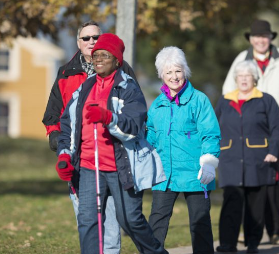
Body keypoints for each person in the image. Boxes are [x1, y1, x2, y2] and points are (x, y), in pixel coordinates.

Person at [56, 33, 167, 254]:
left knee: (129, 219)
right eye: (96, 55)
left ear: (117, 61)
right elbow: (67, 122)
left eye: (104, 55)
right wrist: (64, 154)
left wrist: (109, 118)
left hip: (121, 166)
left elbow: (135, 124)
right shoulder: (85, 88)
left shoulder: (128, 88)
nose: (98, 59)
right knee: (88, 220)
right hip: (89, 166)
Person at [42, 21, 138, 254]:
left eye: (96, 37)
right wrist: (58, 141)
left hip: (112, 154)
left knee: (115, 219)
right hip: (79, 156)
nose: (92, 42)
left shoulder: (121, 68)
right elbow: (53, 115)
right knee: (86, 218)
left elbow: (135, 109)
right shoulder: (65, 72)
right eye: (86, 38)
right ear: (78, 43)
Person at [222, 19, 279, 244]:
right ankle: (243, 231)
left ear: (270, 38)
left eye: (265, 36)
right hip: (248, 127)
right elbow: (227, 90)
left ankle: (275, 230)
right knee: (245, 182)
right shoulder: (241, 59)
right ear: (250, 39)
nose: (260, 40)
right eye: (256, 36)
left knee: (273, 181)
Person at [146, 46, 221, 254]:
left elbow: (211, 134)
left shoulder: (199, 100)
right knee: (156, 222)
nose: (174, 76)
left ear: (185, 71)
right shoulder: (157, 105)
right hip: (165, 173)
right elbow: (150, 134)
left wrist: (208, 162)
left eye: (178, 70)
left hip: (196, 174)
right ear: (162, 75)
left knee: (200, 224)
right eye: (168, 72)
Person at [215, 60, 279, 253]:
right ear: (235, 79)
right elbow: (213, 127)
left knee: (255, 203)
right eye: (241, 76)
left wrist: (273, 150)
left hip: (258, 159)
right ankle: (227, 243)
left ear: (255, 78)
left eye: (248, 76)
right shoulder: (225, 100)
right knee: (231, 201)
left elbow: (278, 127)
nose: (244, 79)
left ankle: (253, 243)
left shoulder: (266, 100)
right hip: (230, 159)